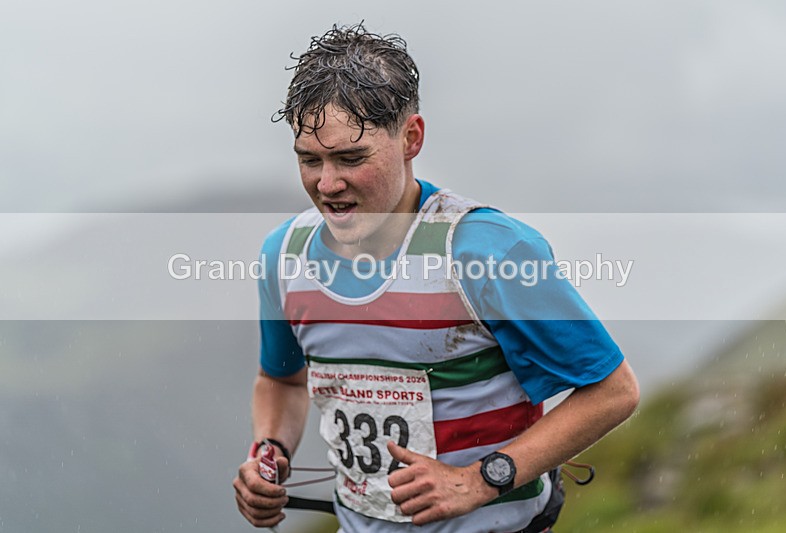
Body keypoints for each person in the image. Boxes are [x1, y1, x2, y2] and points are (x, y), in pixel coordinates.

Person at [233, 23, 639, 532]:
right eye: (309, 160)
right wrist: (269, 451)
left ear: (411, 138)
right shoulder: (284, 255)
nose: (327, 183)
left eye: (351, 159)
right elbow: (281, 380)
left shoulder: (488, 251)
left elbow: (613, 390)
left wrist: (479, 479)